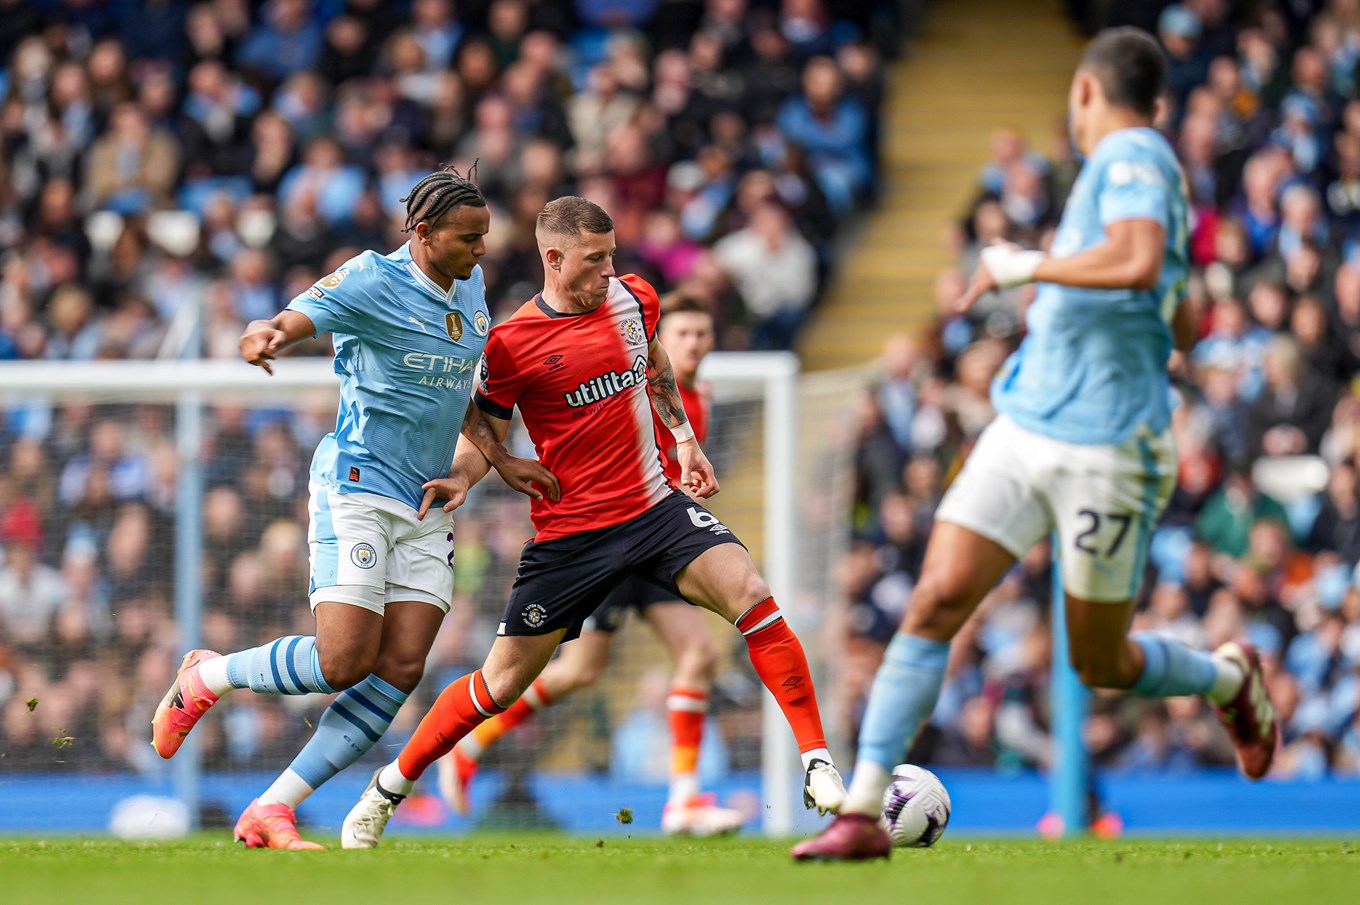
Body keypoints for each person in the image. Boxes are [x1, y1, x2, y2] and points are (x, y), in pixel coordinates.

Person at [792, 28, 1279, 862]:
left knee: (1102, 659)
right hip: (1025, 428)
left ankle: (1229, 678)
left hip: (1107, 452)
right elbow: (1184, 314)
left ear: (1085, 91)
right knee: (938, 596)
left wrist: (1030, 267)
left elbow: (1135, 260)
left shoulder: (1133, 153)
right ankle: (863, 811)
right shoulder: (1138, 176)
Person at [340, 196, 846, 848]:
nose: (611, 270)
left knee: (750, 592)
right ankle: (388, 788)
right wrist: (464, 476)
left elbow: (655, 364)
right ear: (553, 258)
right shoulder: (513, 343)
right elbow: (485, 433)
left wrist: (684, 438)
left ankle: (818, 762)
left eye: (612, 255)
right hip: (572, 536)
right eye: (594, 259)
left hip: (654, 507)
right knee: (500, 683)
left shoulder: (635, 299)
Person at [150, 166, 559, 850]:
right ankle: (207, 674)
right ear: (423, 233)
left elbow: (455, 389)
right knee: (342, 661)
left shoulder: (474, 285)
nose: (481, 249)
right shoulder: (372, 277)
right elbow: (293, 315)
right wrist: (267, 335)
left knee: (401, 665)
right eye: (467, 238)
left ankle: (271, 809)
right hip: (358, 482)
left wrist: (495, 458)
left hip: (427, 497)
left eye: (485, 236)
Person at [437, 293, 746, 836]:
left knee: (692, 654)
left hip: (655, 538)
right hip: (607, 537)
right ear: (653, 340)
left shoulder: (700, 397)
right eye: (682, 335)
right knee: (577, 671)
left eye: (703, 334)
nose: (694, 345)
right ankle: (470, 743)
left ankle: (683, 800)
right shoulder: (633, 383)